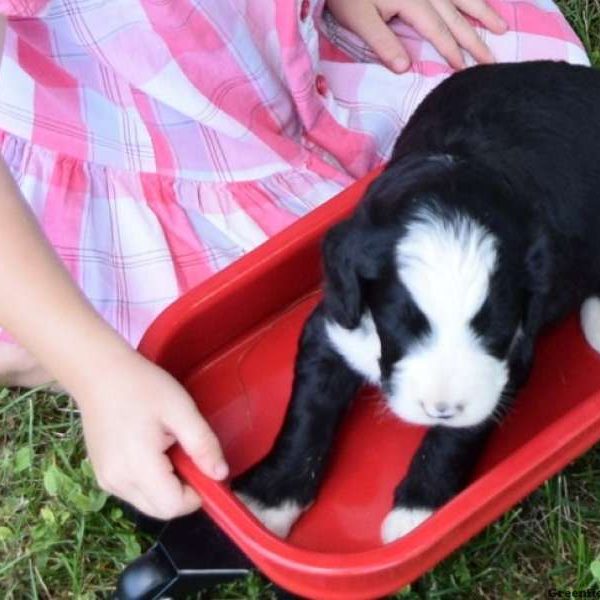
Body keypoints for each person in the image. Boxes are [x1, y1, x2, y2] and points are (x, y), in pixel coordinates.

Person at [0, 0, 588, 521]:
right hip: (102, 118)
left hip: (271, 36)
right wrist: (93, 370)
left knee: (526, 82)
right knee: (94, 320)